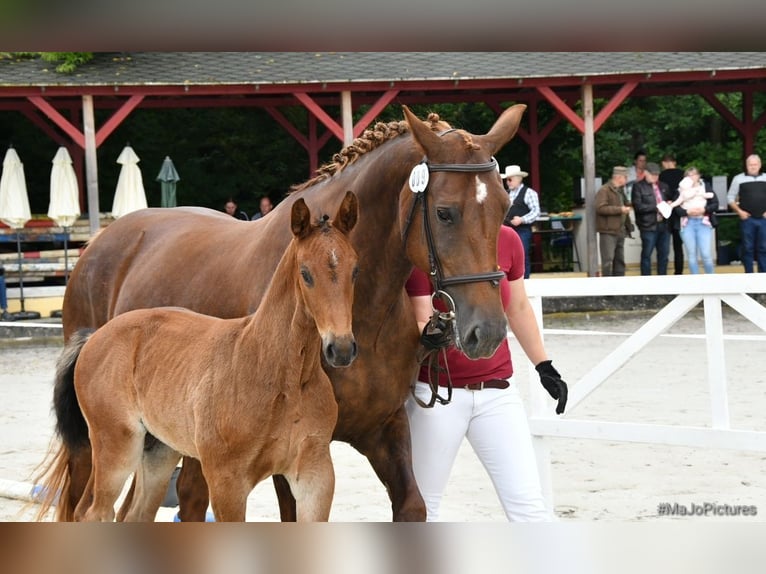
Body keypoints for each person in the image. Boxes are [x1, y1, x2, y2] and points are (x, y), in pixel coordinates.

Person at [405, 224, 568, 522]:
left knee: (529, 506)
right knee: (424, 507)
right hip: (440, 392)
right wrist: (434, 333)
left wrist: (544, 366)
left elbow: (517, 307)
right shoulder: (424, 246)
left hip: (499, 392)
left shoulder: (507, 239)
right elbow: (420, 320)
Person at [726, 154, 766, 273]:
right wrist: (739, 212)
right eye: (750, 164)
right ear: (746, 165)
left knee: (764, 249)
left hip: (764, 220)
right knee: (747, 249)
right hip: (747, 219)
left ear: (759, 165)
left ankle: (763, 279)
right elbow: (730, 198)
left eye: (755, 164)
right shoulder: (738, 179)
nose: (753, 167)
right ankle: (748, 277)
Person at [674, 167, 717, 274]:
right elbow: (676, 208)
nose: (692, 177)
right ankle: (695, 282)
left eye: (694, 174)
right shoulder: (680, 190)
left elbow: (715, 203)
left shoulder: (706, 187)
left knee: (706, 254)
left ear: (699, 176)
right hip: (687, 223)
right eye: (689, 175)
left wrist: (704, 209)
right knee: (692, 255)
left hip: (703, 222)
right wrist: (687, 212)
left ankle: (712, 280)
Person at [631, 162, 672, 275]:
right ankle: (646, 282)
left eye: (657, 175)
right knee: (646, 255)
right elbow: (638, 206)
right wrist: (657, 207)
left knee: (664, 255)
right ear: (645, 173)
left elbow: (670, 199)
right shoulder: (638, 186)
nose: (655, 177)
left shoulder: (664, 186)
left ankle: (662, 281)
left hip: (664, 224)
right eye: (652, 174)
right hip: (648, 225)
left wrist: (669, 203)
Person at [501, 164, 540, 279]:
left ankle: (524, 280)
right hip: (507, 230)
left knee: (521, 256)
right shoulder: (505, 194)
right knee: (506, 255)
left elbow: (536, 211)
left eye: (510, 179)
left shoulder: (529, 193)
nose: (508, 182)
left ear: (519, 179)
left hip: (522, 229)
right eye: (507, 180)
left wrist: (522, 220)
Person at [595, 166, 633, 276]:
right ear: (619, 177)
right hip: (608, 231)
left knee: (619, 260)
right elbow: (600, 208)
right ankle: (607, 288)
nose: (626, 180)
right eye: (625, 177)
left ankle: (619, 287)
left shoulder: (620, 191)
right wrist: (619, 210)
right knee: (608, 260)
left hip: (620, 230)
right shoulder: (604, 190)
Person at [659, 154, 686, 274]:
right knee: (678, 246)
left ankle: (663, 272)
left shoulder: (662, 175)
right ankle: (678, 272)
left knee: (663, 245)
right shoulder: (683, 174)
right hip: (680, 212)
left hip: (666, 211)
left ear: (664, 163)